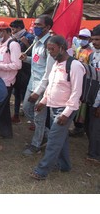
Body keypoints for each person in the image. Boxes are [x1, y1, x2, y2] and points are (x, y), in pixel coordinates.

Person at [30, 35, 85, 180]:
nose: (50, 53)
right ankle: (64, 165)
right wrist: (43, 101)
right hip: (52, 107)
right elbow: (51, 85)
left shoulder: (74, 66)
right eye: (48, 50)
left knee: (53, 139)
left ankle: (42, 170)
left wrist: (66, 113)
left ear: (62, 48)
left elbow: (76, 92)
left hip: (65, 110)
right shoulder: (56, 64)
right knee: (61, 138)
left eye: (52, 49)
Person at [21, 15, 54, 156]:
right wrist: (26, 58)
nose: (35, 27)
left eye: (39, 25)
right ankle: (49, 134)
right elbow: (36, 63)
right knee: (27, 109)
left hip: (42, 86)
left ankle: (36, 144)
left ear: (47, 27)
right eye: (35, 24)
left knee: (39, 115)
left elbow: (49, 71)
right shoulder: (36, 41)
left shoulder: (50, 45)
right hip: (31, 82)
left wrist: (39, 91)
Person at [0, 21, 22, 139]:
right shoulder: (0, 43)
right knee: (3, 109)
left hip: (6, 82)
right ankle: (5, 132)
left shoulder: (13, 45)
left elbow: (17, 65)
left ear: (4, 31)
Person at [10, 19, 35, 123]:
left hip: (26, 70)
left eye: (14, 29)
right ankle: (16, 114)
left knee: (25, 93)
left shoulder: (29, 37)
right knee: (16, 92)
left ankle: (29, 115)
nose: (12, 31)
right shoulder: (14, 39)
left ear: (19, 28)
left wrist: (26, 43)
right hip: (17, 70)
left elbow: (34, 55)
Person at [69, 28, 93, 137]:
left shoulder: (91, 52)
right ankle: (77, 126)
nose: (82, 40)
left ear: (89, 39)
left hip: (86, 82)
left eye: (84, 38)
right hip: (77, 80)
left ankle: (80, 128)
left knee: (82, 105)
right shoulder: (78, 49)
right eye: (81, 37)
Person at [86, 24, 100, 165]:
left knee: (96, 128)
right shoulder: (92, 55)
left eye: (97, 39)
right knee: (90, 126)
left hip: (99, 100)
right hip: (92, 96)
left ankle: (94, 155)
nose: (94, 42)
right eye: (93, 39)